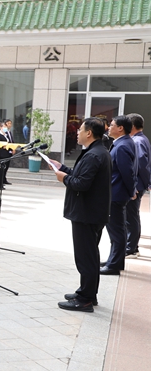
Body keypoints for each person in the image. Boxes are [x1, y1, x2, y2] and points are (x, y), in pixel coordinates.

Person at [50, 118, 111, 312]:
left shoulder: (94, 155)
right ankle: (88, 294)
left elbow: (81, 184)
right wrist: (63, 168)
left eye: (80, 130)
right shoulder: (97, 151)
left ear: (89, 133)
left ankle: (85, 299)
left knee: (85, 257)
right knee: (90, 256)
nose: (77, 133)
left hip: (87, 214)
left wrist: (64, 178)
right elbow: (81, 175)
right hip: (91, 212)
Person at [100, 116, 138, 276]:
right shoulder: (122, 143)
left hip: (116, 194)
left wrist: (131, 191)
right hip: (116, 193)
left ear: (120, 128)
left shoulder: (122, 146)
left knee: (117, 231)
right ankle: (113, 260)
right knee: (116, 230)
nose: (109, 127)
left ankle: (114, 265)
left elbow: (127, 172)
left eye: (112, 125)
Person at [126, 114, 150, 259]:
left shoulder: (137, 141)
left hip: (137, 184)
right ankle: (131, 246)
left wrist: (147, 182)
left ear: (132, 126)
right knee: (131, 215)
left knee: (131, 216)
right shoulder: (142, 139)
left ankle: (131, 248)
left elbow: (141, 163)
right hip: (139, 183)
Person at [2, 119, 14, 185]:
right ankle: (2, 180)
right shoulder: (4, 132)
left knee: (7, 166)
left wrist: (13, 148)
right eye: (8, 123)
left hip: (10, 151)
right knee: (4, 166)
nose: (9, 125)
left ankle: (4, 179)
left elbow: (11, 141)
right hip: (5, 151)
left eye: (10, 123)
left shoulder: (9, 132)